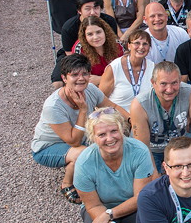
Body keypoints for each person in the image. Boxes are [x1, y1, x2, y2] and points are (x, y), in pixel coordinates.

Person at [31, 54, 124, 204]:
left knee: (112, 141)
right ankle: (67, 183)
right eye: (74, 75)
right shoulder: (53, 106)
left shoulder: (91, 89)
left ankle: (104, 175)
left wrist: (131, 120)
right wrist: (83, 110)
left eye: (85, 74)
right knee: (85, 153)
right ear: (64, 78)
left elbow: (112, 107)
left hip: (79, 138)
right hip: (48, 147)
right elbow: (73, 141)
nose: (81, 78)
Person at [130, 61, 191, 172]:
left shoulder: (189, 92)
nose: (169, 89)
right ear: (153, 82)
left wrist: (190, 154)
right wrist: (154, 172)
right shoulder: (140, 104)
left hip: (180, 145)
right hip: (153, 150)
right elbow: (143, 148)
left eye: (174, 83)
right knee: (149, 175)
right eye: (163, 84)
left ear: (180, 80)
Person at [99, 29, 155, 112]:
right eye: (137, 43)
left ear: (149, 48)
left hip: (144, 115)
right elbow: (100, 99)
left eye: (145, 44)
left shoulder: (153, 68)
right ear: (129, 46)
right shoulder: (114, 68)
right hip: (117, 116)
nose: (141, 47)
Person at [72, 16, 124, 85]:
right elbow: (80, 78)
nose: (95, 37)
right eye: (90, 34)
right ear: (85, 36)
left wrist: (101, 79)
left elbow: (123, 73)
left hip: (115, 85)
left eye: (98, 32)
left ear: (105, 32)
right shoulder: (79, 49)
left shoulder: (116, 45)